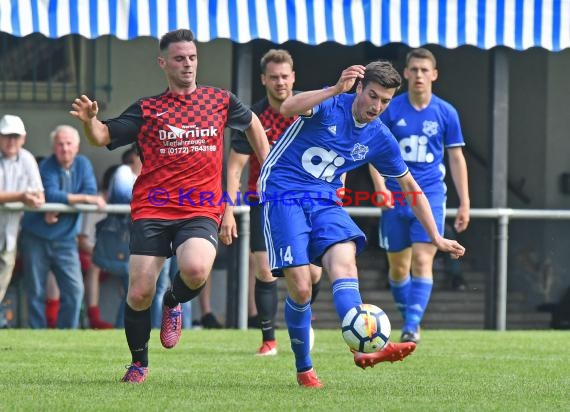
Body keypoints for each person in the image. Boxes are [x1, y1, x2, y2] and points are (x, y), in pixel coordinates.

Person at [70, 28, 269, 383]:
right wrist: (89, 122)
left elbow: (253, 123)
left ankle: (173, 301)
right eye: (179, 58)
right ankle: (138, 363)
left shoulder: (219, 100)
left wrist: (266, 165)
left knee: (194, 270)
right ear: (163, 63)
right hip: (153, 208)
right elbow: (102, 137)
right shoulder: (148, 109)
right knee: (139, 291)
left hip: (200, 208)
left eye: (192, 57)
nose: (188, 64)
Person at [258, 61, 465, 388]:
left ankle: (363, 346)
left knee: (345, 263)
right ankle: (304, 369)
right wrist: (333, 89)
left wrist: (437, 236)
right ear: (358, 88)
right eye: (372, 96)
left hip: (325, 199)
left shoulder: (380, 136)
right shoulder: (330, 103)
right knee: (300, 287)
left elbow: (411, 188)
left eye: (385, 101)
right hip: (284, 192)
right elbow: (286, 107)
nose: (377, 106)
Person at [223, 49, 322, 356]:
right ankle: (269, 340)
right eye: (274, 77)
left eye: (285, 76)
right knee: (264, 270)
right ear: (263, 79)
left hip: (307, 200)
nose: (280, 82)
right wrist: (227, 207)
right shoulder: (252, 118)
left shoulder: (313, 109)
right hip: (264, 201)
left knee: (314, 274)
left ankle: (304, 314)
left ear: (293, 77)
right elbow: (235, 167)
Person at [368, 48, 470, 344]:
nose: (419, 75)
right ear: (406, 73)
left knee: (422, 261)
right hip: (396, 196)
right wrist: (381, 188)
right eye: (414, 69)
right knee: (399, 267)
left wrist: (464, 202)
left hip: (430, 195)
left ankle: (411, 326)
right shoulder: (391, 107)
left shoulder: (446, 112)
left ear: (434, 75)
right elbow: (374, 151)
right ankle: (409, 316)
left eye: (425, 70)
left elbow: (456, 158)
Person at [20, 124, 106, 329]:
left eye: (69, 144)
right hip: (35, 237)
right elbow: (51, 194)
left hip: (66, 239)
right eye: (60, 144)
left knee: (75, 291)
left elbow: (91, 189)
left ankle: (67, 333)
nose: (64, 148)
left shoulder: (83, 164)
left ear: (77, 147)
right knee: (36, 291)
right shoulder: (46, 165)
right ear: (53, 147)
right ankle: (36, 335)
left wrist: (62, 206)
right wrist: (83, 198)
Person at [0, 114, 45, 326]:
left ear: (23, 138)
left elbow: (39, 196)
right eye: (7, 136)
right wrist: (21, 196)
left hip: (9, 236)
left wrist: (28, 198)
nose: (11, 141)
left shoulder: (27, 158)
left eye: (15, 136)